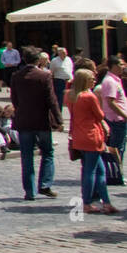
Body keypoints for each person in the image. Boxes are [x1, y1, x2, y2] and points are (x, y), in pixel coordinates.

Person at [10, 45, 62, 200]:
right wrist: (59, 120)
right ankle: (45, 185)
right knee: (47, 153)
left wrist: (21, 110)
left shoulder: (16, 76)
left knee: (26, 156)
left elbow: (14, 100)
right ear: (38, 59)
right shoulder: (44, 76)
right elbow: (52, 100)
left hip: (24, 121)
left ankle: (29, 191)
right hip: (41, 121)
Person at [69, 68, 117, 215]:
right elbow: (100, 115)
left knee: (98, 170)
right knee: (92, 171)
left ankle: (106, 203)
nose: (94, 81)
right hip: (91, 136)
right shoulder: (89, 97)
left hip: (79, 136)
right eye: (91, 79)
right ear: (85, 81)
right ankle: (88, 203)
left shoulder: (71, 96)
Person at [96, 55, 127, 169]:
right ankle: (115, 174)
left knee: (119, 148)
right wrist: (125, 115)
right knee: (116, 149)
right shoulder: (110, 81)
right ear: (113, 66)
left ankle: (116, 173)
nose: (123, 67)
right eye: (120, 64)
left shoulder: (115, 79)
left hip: (119, 119)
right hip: (116, 120)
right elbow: (111, 102)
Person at [51, 47, 74, 115]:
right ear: (59, 53)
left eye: (65, 52)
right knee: (60, 98)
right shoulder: (54, 60)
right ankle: (59, 113)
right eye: (63, 52)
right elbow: (52, 71)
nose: (65, 54)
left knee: (70, 98)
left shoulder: (69, 59)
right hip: (59, 81)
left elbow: (71, 69)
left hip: (69, 80)